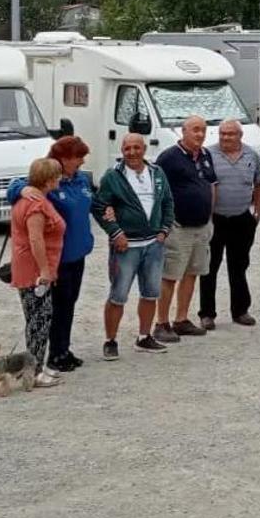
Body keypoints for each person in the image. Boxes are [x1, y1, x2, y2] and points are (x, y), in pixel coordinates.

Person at [7, 136, 94, 373]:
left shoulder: (80, 180)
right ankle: (54, 355)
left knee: (69, 304)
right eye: (78, 157)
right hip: (59, 258)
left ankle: (62, 348)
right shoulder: (49, 182)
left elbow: (91, 203)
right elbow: (17, 186)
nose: (82, 161)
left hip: (78, 254)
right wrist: (20, 188)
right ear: (64, 159)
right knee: (56, 307)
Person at [91, 134, 174, 358]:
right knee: (118, 295)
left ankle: (144, 337)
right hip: (126, 246)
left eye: (137, 147)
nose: (132, 152)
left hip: (154, 245)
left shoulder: (157, 173)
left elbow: (168, 202)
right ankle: (110, 340)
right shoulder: (112, 176)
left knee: (150, 293)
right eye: (127, 148)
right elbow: (99, 207)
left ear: (144, 148)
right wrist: (115, 232)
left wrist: (165, 230)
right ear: (122, 150)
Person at [153, 115, 217, 343]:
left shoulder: (206, 155)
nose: (199, 134)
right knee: (170, 275)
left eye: (203, 130)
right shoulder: (169, 158)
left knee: (192, 273)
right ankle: (161, 322)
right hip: (178, 227)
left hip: (201, 226)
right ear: (183, 131)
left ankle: (181, 319)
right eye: (195, 130)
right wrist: (164, 222)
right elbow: (156, 189)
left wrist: (210, 216)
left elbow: (211, 185)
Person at [199, 119, 260, 329]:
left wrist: (258, 212)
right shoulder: (207, 155)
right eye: (222, 134)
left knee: (239, 266)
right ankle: (207, 314)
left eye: (230, 134)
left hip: (242, 219)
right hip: (215, 219)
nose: (225, 137)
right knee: (209, 267)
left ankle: (240, 311)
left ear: (240, 136)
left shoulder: (251, 155)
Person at [9, 158, 66, 388]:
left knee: (35, 319)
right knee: (39, 321)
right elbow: (35, 238)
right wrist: (44, 270)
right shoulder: (35, 204)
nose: (60, 179)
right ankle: (34, 372)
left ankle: (30, 369)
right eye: (57, 176)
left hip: (29, 267)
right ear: (49, 179)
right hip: (34, 270)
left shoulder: (31, 198)